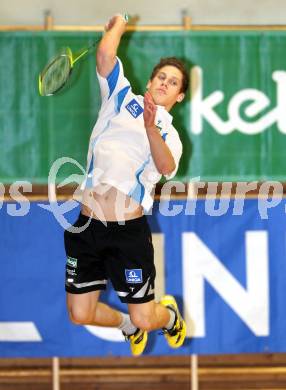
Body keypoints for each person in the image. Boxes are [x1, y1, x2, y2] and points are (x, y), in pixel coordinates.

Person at [64, 13, 189, 356]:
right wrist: (118, 23)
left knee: (148, 317)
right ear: (150, 81)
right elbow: (105, 57)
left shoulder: (170, 135)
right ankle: (127, 326)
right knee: (79, 313)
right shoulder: (120, 97)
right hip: (87, 224)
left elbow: (166, 166)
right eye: (161, 76)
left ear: (179, 96)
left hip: (127, 232)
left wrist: (151, 129)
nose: (165, 83)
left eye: (174, 82)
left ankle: (168, 318)